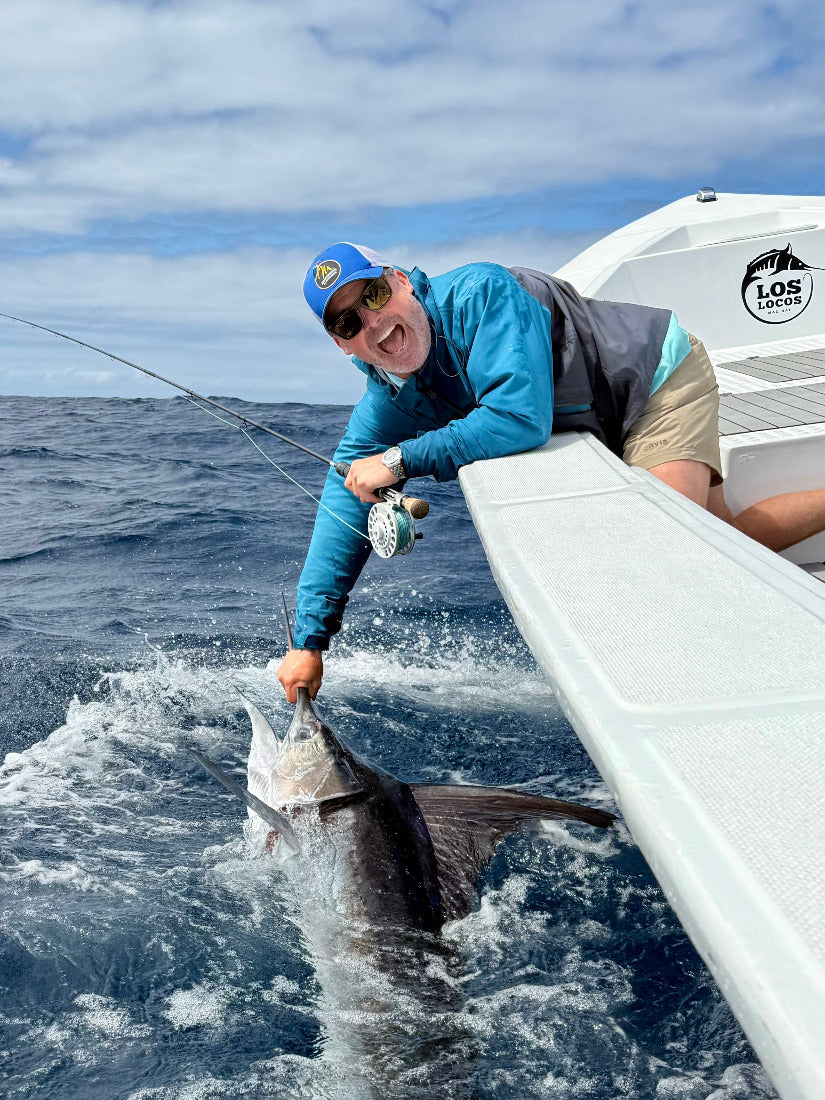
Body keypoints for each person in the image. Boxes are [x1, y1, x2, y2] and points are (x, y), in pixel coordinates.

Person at [278, 242, 825, 701]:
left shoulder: (479, 293)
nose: (373, 322)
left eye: (374, 295)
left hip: (653, 380)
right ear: (340, 342)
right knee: (721, 535)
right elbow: (345, 492)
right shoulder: (390, 396)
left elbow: (518, 419)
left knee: (671, 551)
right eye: (349, 320)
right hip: (592, 413)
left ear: (402, 282)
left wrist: (400, 460)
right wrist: (308, 642)